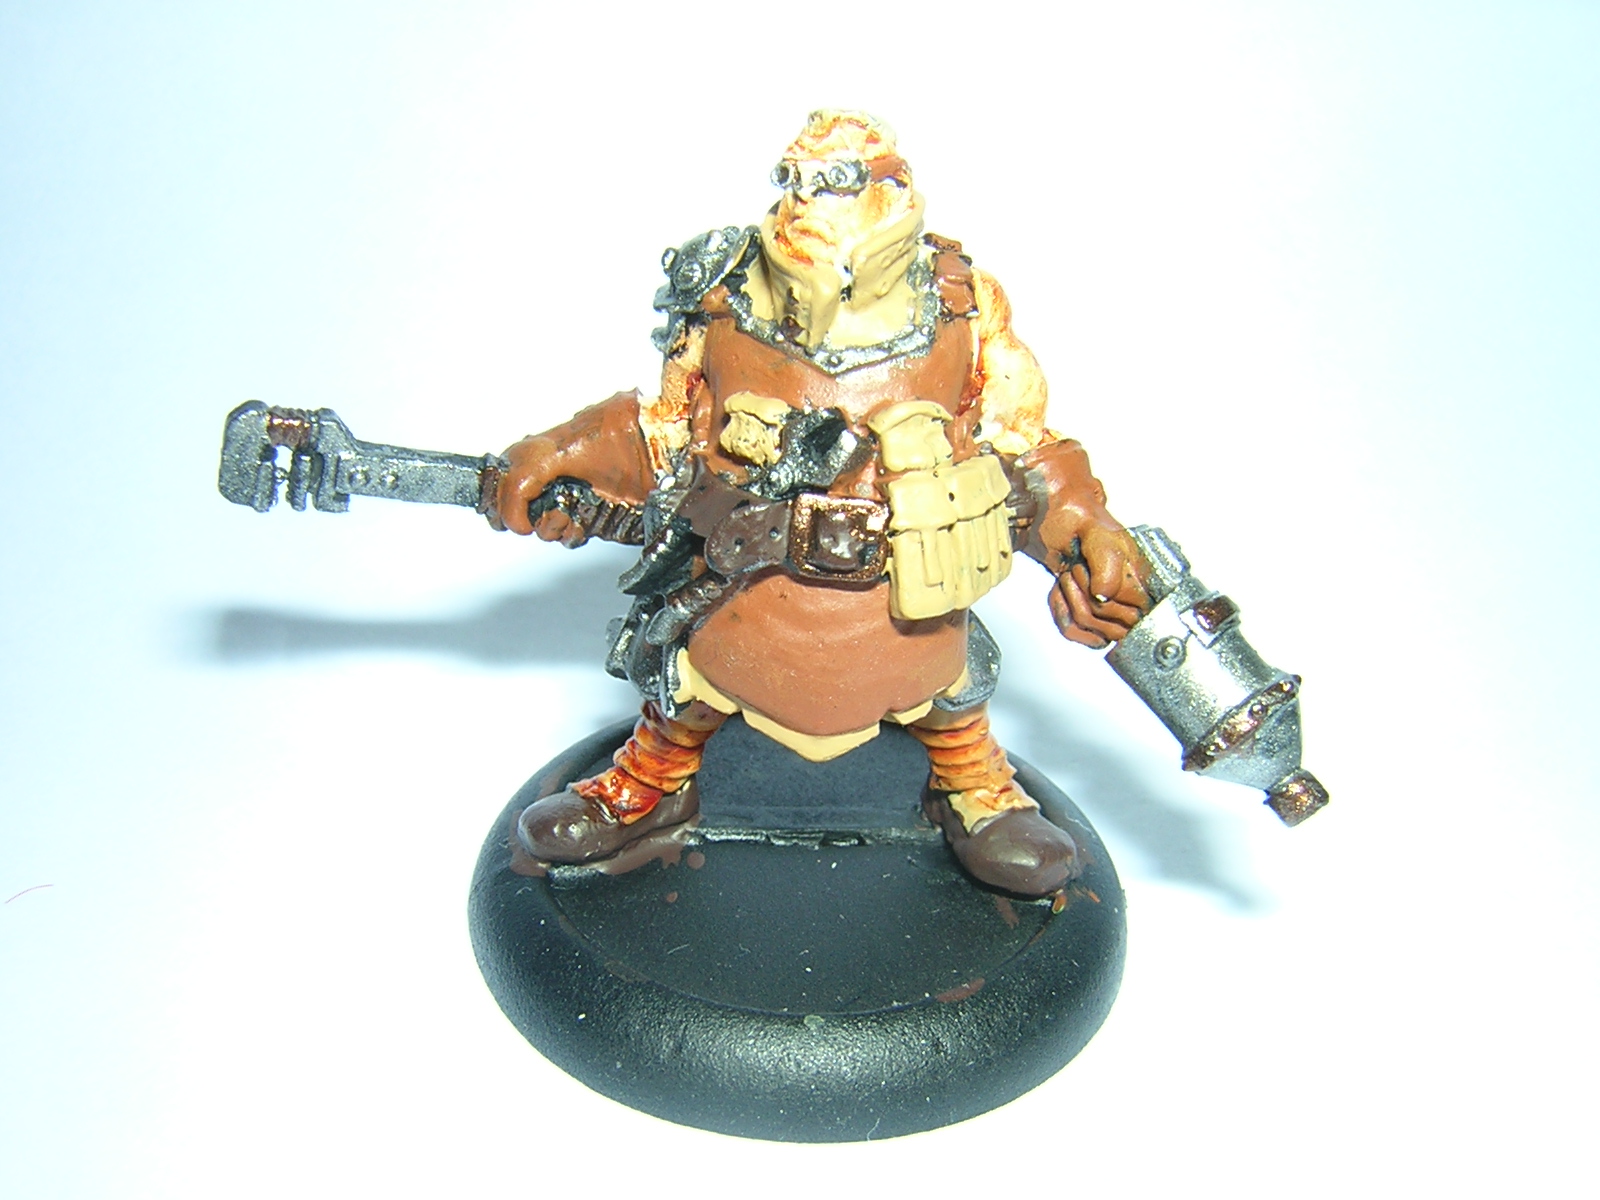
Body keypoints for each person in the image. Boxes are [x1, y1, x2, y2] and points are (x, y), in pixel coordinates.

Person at [492, 111, 1148, 896]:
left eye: (834, 179)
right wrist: (563, 454)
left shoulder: (965, 309)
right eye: (794, 178)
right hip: (748, 581)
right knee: (694, 673)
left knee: (943, 682)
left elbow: (1023, 446)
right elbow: (662, 432)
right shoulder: (724, 299)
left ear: (889, 189)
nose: (806, 198)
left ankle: (973, 783)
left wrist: (1084, 528)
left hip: (904, 589)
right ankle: (652, 778)